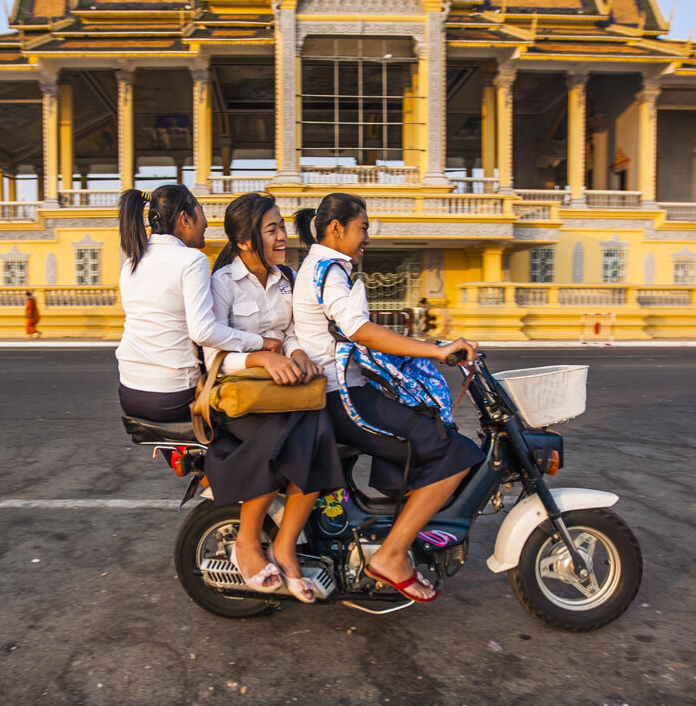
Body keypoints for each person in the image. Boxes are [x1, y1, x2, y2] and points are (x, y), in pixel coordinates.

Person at [292, 193, 484, 603]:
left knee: (421, 423)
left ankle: (395, 526)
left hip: (343, 393)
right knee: (457, 451)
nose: (368, 239)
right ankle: (392, 554)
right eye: (363, 229)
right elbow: (360, 330)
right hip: (343, 398)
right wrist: (436, 350)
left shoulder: (325, 267)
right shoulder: (328, 270)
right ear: (337, 228)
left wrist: (433, 343)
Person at [203, 192, 343, 603]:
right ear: (245, 241)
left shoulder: (289, 277)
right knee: (296, 431)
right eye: (273, 229)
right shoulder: (222, 284)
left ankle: (284, 546)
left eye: (282, 226)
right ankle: (247, 541)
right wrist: (262, 358)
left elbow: (296, 330)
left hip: (284, 391)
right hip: (243, 398)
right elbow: (214, 356)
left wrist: (297, 352)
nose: (283, 235)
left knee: (319, 426)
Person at [115, 184, 279, 424]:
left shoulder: (131, 260)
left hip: (129, 392)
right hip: (173, 396)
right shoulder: (191, 260)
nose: (206, 223)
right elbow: (203, 331)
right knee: (252, 406)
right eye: (201, 213)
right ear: (185, 218)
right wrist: (263, 343)